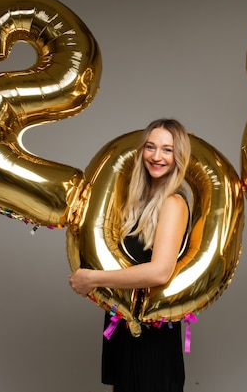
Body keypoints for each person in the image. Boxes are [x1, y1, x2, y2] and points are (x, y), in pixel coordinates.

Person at [69, 118, 192, 392]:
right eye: (150, 147)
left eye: (167, 149)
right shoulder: (136, 202)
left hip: (152, 330)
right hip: (124, 323)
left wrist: (93, 279)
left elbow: (160, 271)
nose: (156, 156)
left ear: (178, 156)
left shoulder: (173, 203)